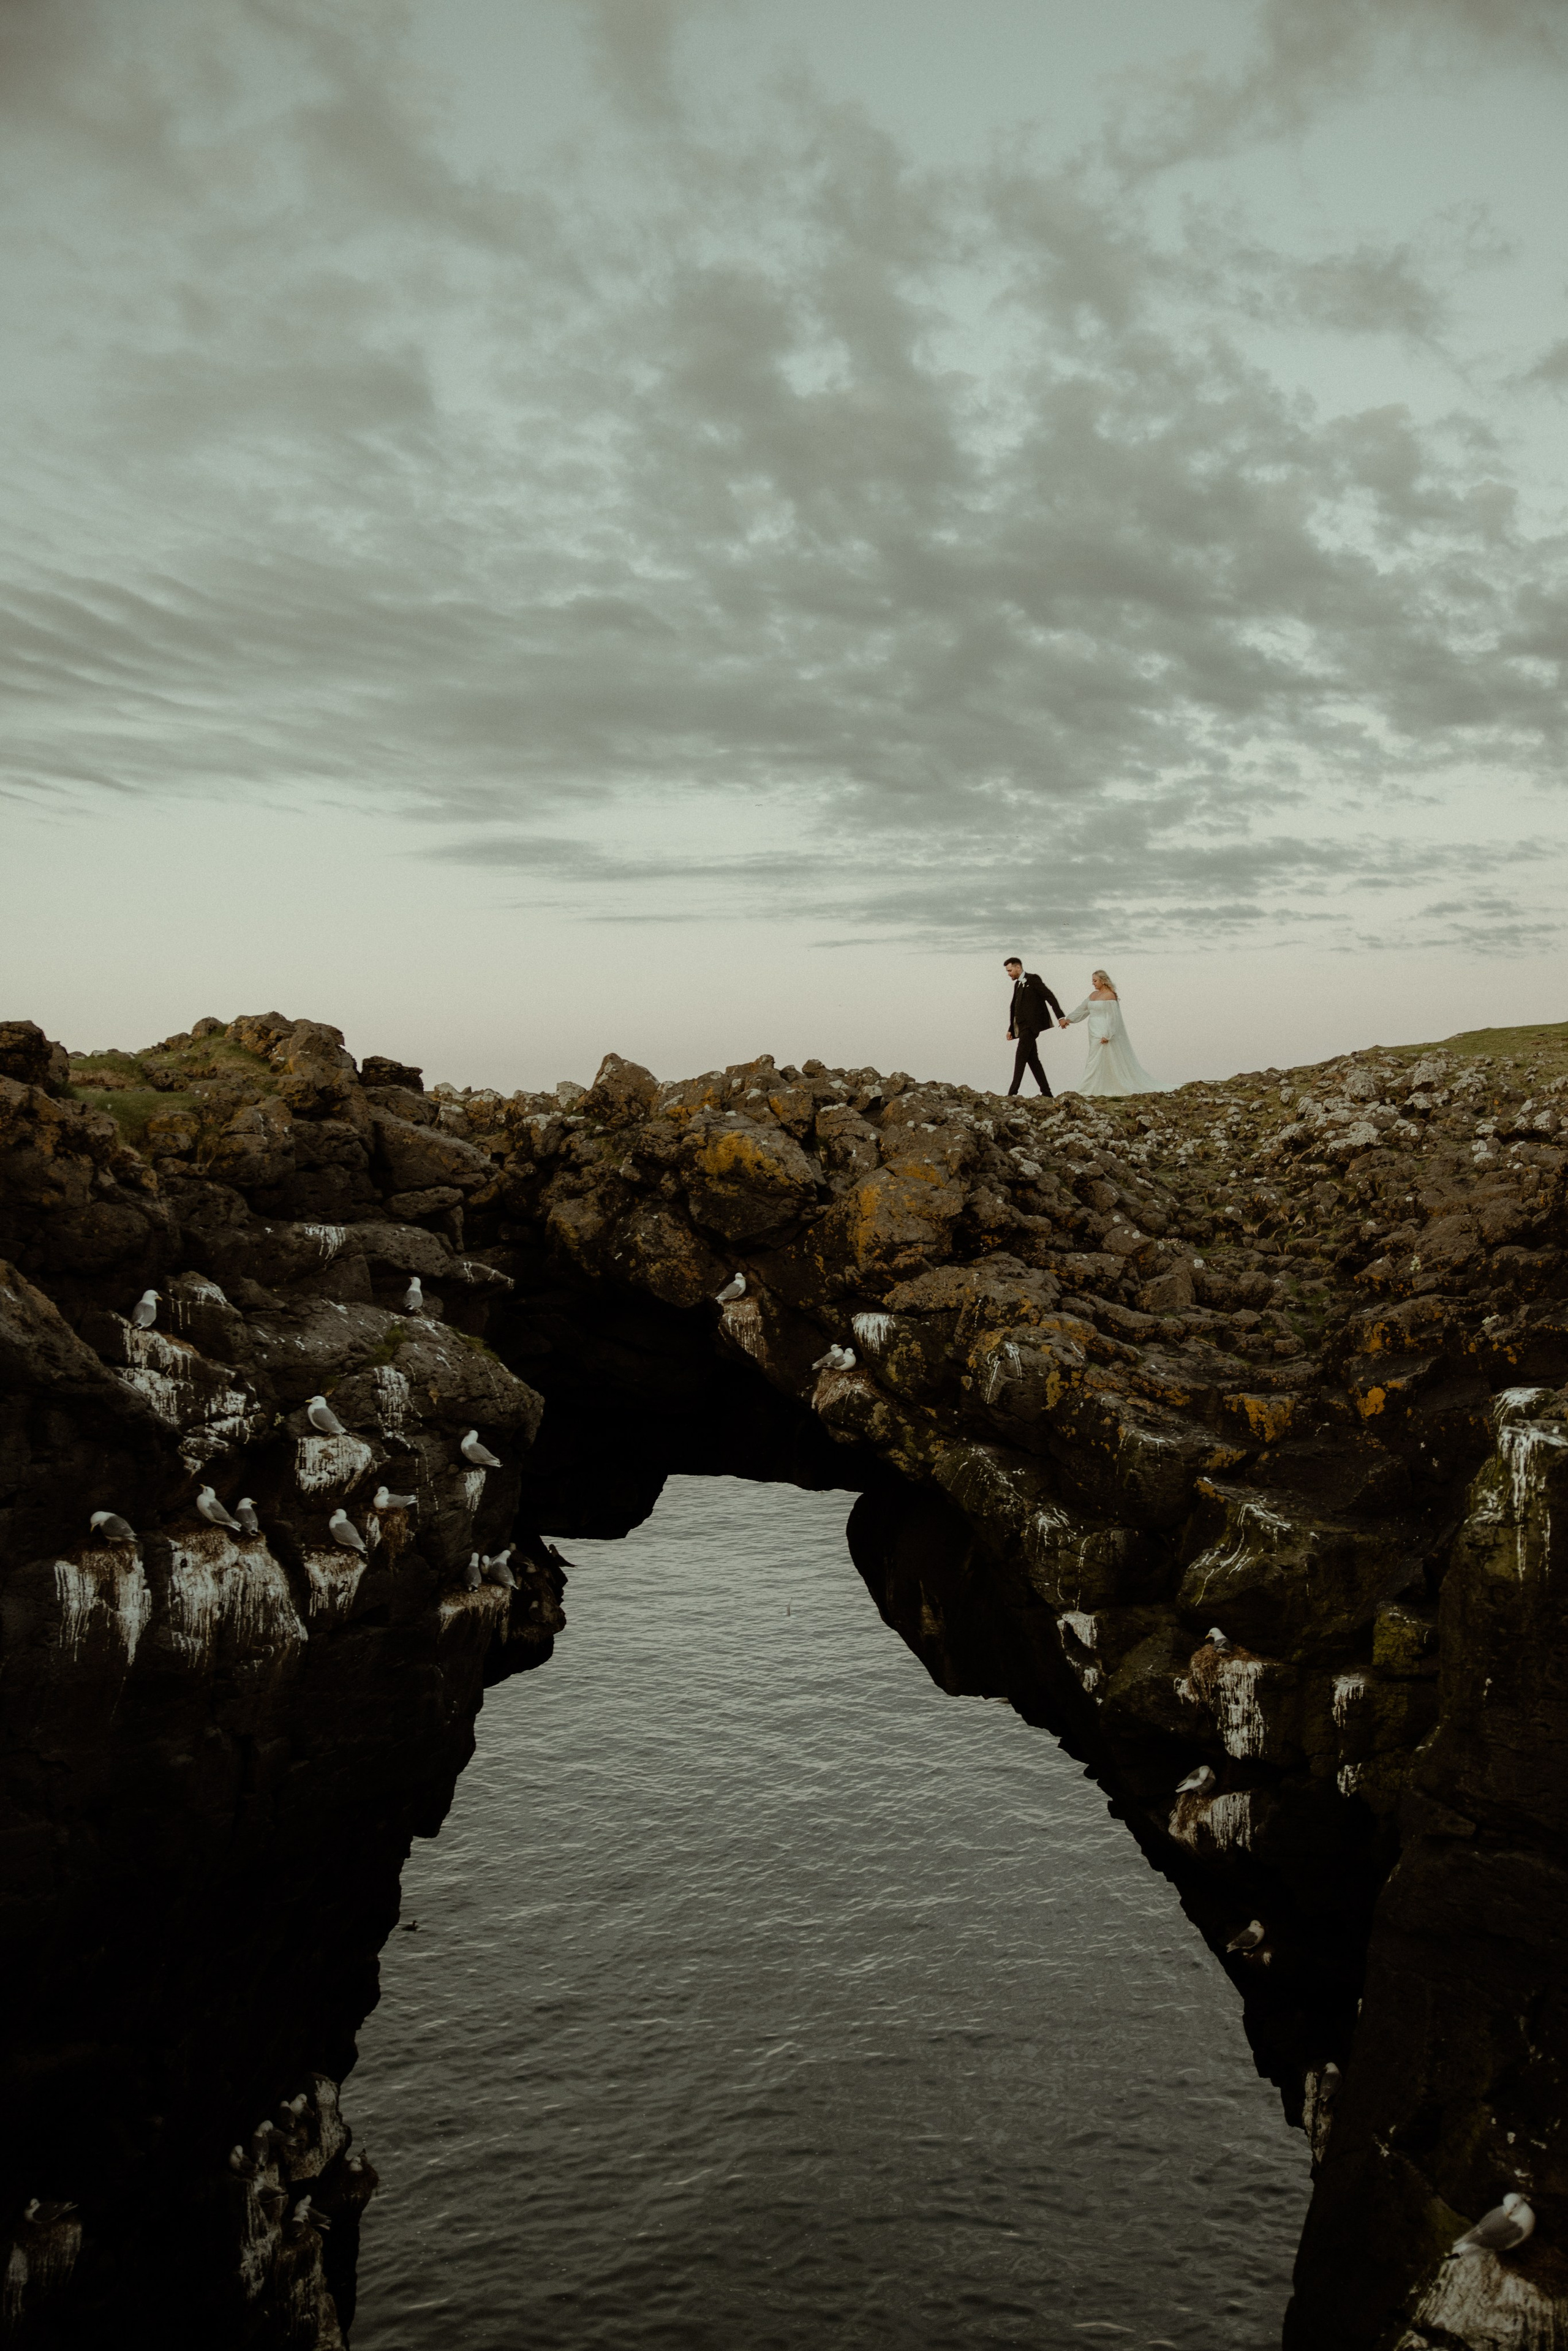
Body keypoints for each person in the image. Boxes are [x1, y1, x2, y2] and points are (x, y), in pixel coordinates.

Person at [1058, 970, 1163, 1096]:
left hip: (1103, 1030)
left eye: (1095, 981)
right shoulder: (1093, 995)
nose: (1093, 983)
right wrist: (1068, 1020)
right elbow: (1082, 1010)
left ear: (1103, 981)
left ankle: (1089, 1088)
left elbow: (1113, 1017)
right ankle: (1095, 1087)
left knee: (1096, 1059)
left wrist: (1108, 1034)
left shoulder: (1110, 996)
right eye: (1092, 981)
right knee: (1094, 1057)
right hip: (1093, 1030)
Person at [1001, 956, 1065, 1096]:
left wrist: (1060, 1016)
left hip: (1032, 1027)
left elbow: (1050, 996)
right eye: (1007, 971)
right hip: (1022, 1027)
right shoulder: (1017, 984)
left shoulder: (1033, 979)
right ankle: (1047, 1093)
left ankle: (1012, 1094)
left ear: (1018, 968)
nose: (1009, 974)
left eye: (1010, 970)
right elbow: (1014, 1007)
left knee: (1020, 1057)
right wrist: (1011, 1029)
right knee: (1033, 1060)